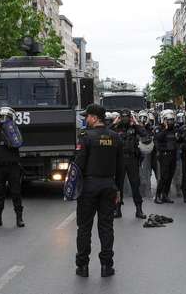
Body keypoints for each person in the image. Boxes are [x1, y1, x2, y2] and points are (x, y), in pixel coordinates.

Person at [74, 104, 123, 278]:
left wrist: (72, 188)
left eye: (87, 116)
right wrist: (118, 189)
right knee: (106, 227)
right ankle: (106, 266)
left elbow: (79, 165)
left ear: (94, 118)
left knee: (84, 227)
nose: (85, 119)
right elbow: (120, 167)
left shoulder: (85, 137)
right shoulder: (116, 137)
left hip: (89, 187)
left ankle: (83, 266)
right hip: (109, 186)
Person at [0, 106, 25, 228]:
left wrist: (7, 131)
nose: (3, 119)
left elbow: (17, 143)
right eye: (1, 117)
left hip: (13, 166)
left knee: (16, 192)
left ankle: (19, 218)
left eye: (6, 118)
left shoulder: (13, 131)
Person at [111, 109, 149, 219]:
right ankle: (117, 209)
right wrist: (114, 123)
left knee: (135, 185)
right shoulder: (116, 128)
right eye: (122, 117)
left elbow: (144, 134)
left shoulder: (134, 128)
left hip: (132, 159)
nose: (125, 119)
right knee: (118, 186)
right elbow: (106, 132)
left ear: (130, 117)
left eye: (127, 117)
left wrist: (136, 123)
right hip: (120, 160)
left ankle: (139, 210)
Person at [152, 110, 181, 204]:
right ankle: (157, 196)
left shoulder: (175, 129)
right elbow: (158, 138)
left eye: (172, 120)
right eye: (168, 120)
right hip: (164, 155)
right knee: (163, 176)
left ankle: (165, 195)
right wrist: (165, 128)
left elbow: (178, 139)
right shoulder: (159, 128)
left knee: (170, 176)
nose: (171, 122)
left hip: (173, 155)